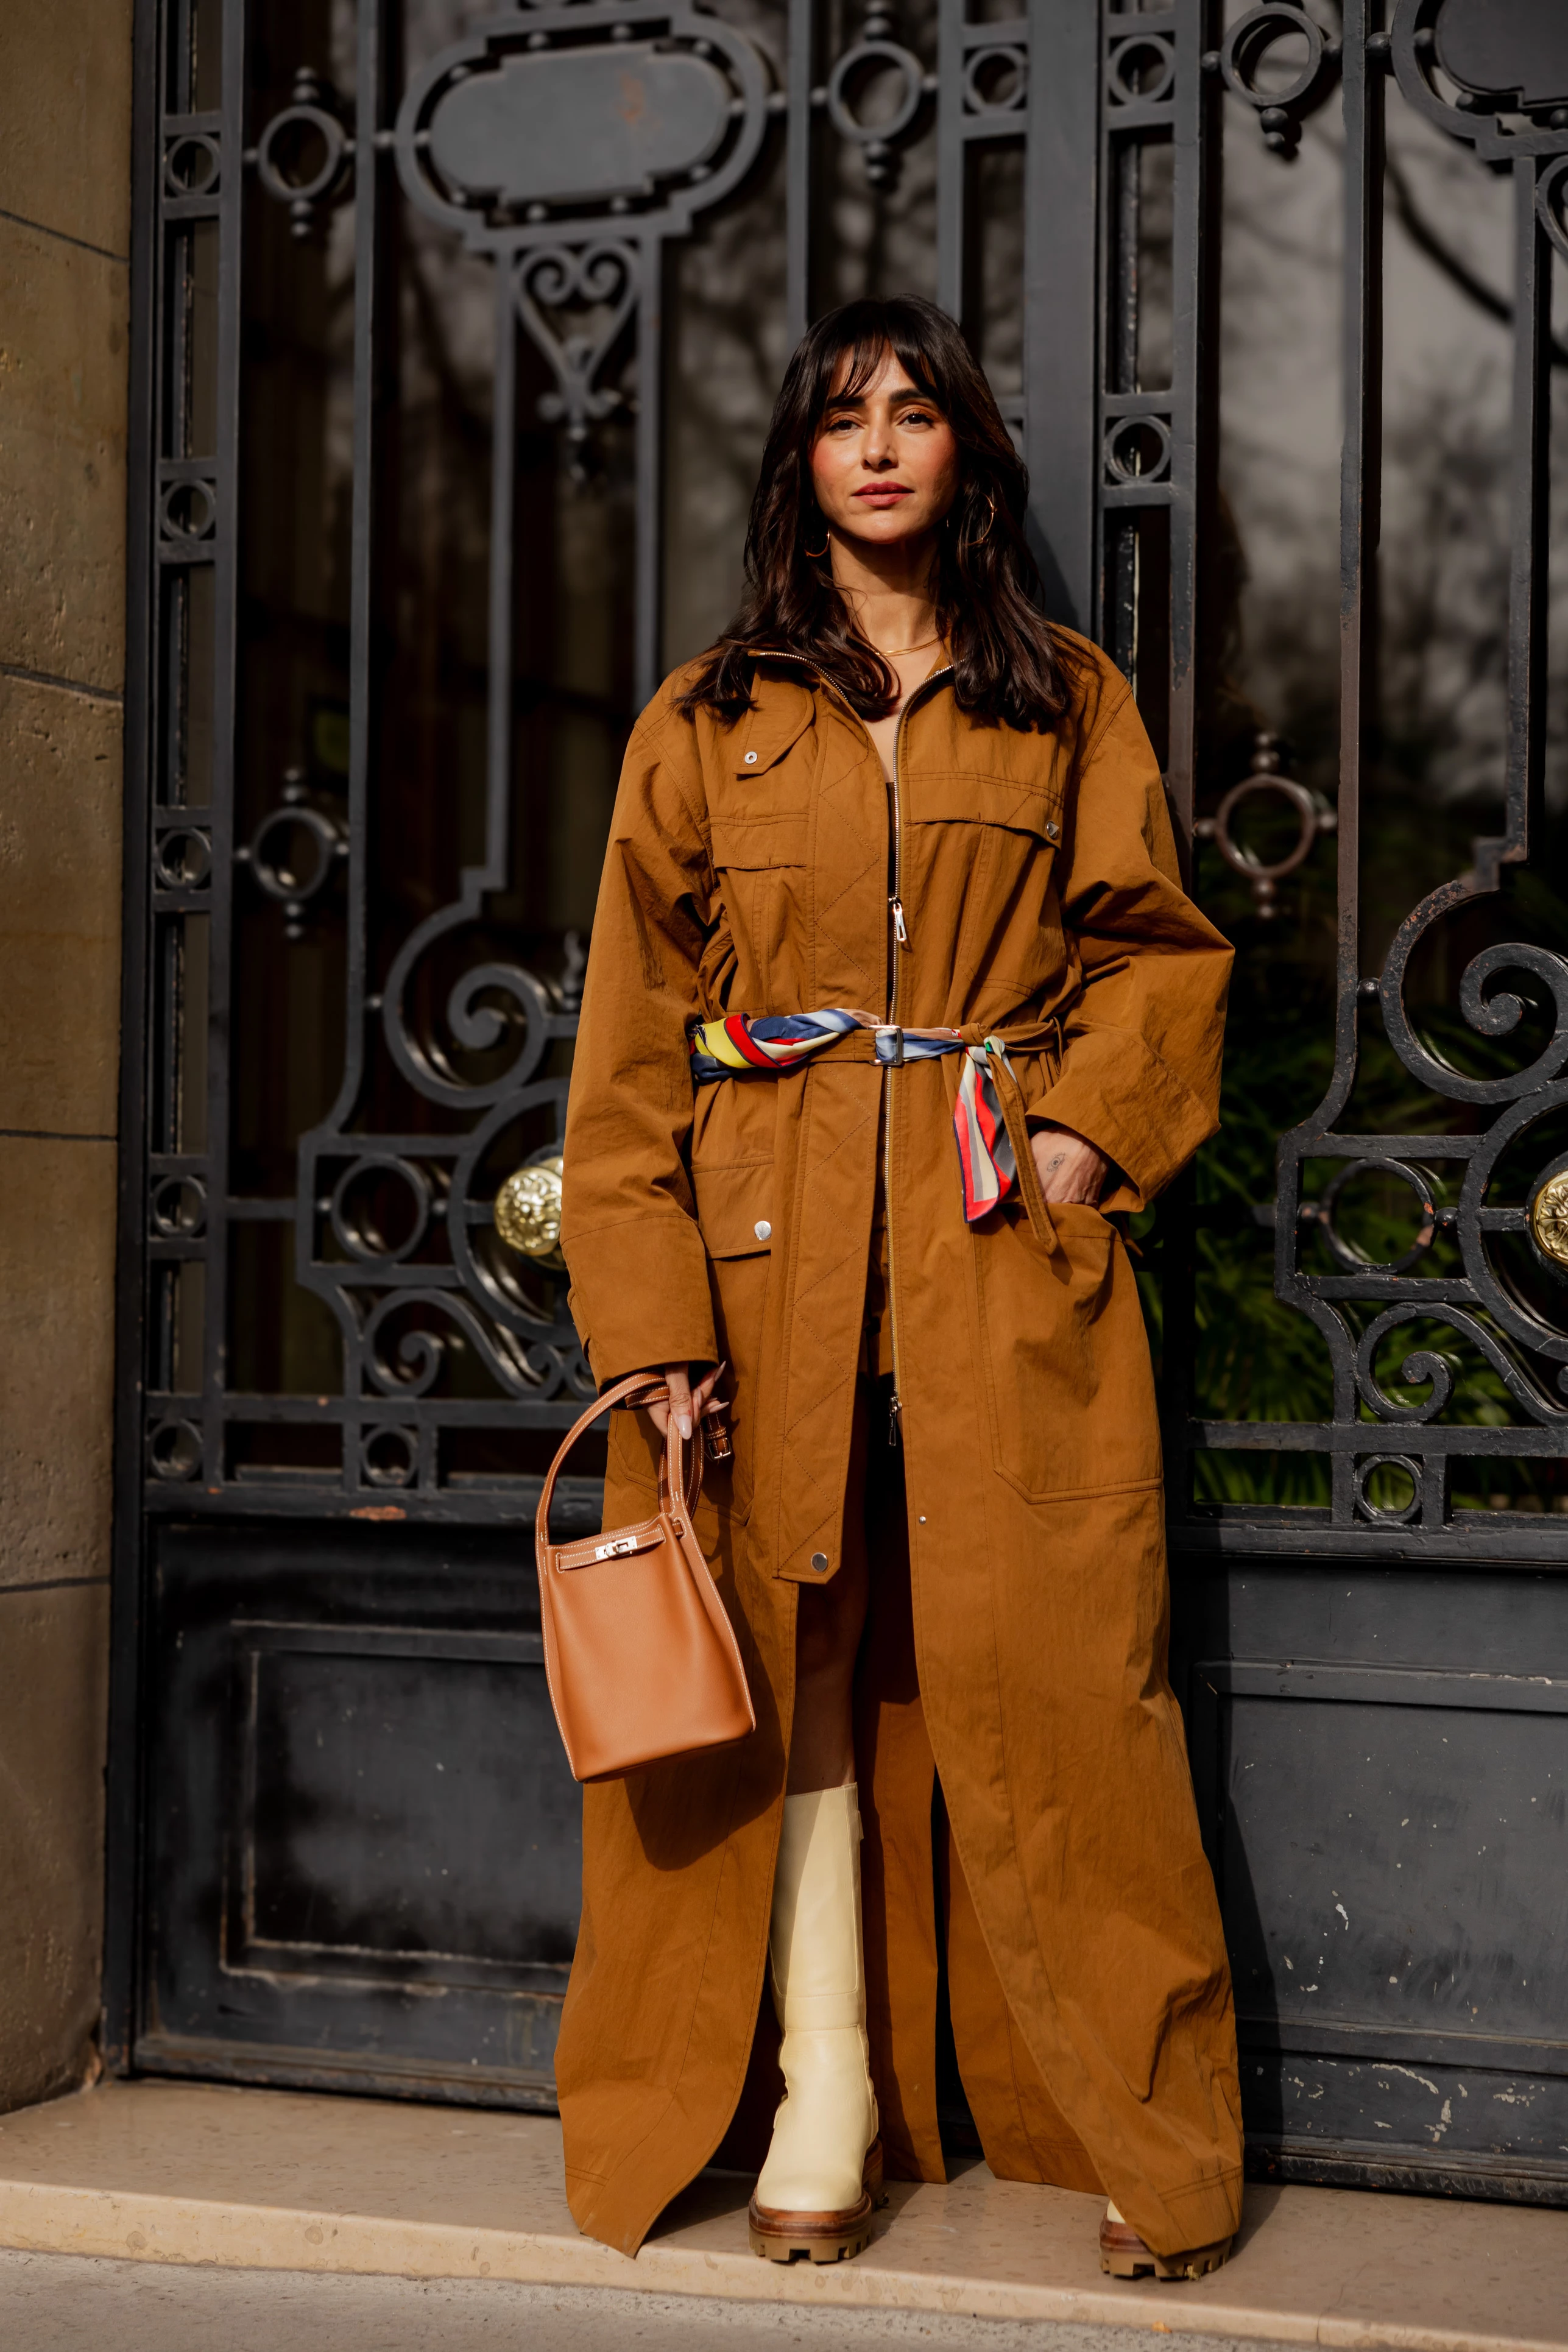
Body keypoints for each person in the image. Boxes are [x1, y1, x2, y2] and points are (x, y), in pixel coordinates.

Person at [556, 295, 1242, 2283]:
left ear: (964, 457)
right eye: (844, 415)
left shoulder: (1062, 698)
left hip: (990, 1255)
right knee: (779, 1674)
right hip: (759, 1264)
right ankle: (823, 2084)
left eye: (914, 412)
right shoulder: (705, 719)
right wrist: (654, 1329)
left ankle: (1140, 2119)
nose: (878, 445)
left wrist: (1079, 1142)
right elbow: (625, 1058)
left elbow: (1160, 957)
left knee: (1065, 1679)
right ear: (801, 459)